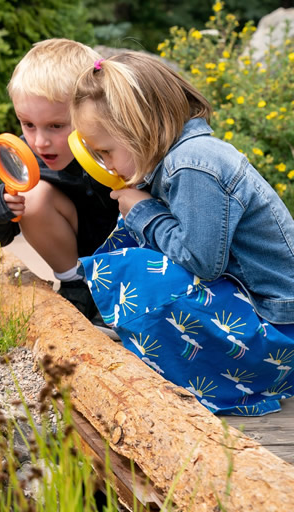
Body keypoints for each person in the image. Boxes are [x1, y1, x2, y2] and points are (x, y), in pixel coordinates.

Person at [70, 52, 294, 416]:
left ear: (140, 128)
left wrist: (143, 210)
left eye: (106, 151)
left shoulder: (193, 164)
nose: (107, 165)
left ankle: (221, 383)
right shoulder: (180, 158)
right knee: (132, 237)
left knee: (143, 270)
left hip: (279, 335)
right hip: (260, 319)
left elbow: (201, 263)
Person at [0, 39, 120, 320]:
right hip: (78, 254)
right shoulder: (24, 157)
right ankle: (78, 287)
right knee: (32, 197)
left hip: (129, 256)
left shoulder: (117, 148)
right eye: (28, 124)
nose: (40, 141)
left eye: (56, 126)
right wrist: (3, 208)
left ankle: (121, 294)